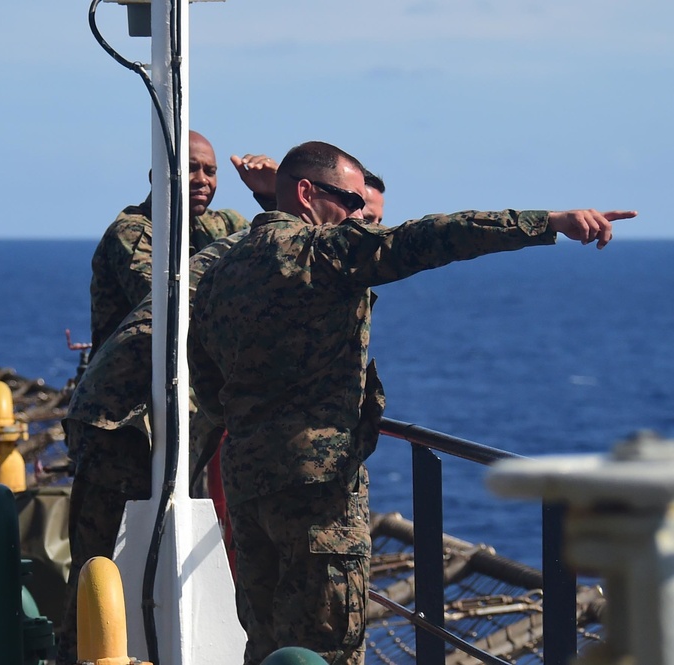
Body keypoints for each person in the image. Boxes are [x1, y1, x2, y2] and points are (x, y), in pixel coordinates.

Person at [187, 140, 636, 665]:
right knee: (328, 651)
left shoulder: (221, 268)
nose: (361, 219)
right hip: (318, 496)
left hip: (247, 484)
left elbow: (204, 376)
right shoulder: (325, 251)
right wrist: (549, 222)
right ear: (307, 194)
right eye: (353, 205)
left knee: (267, 647)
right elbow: (435, 237)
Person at [56, 229, 248, 665]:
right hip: (119, 420)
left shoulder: (230, 234)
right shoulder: (141, 232)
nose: (201, 180)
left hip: (161, 420)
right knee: (100, 565)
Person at [88, 130, 277, 355]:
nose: (202, 180)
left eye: (210, 171)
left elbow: (281, 256)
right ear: (156, 176)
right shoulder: (132, 232)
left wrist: (274, 196)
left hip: (195, 377)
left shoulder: (223, 224)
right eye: (190, 168)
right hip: (138, 379)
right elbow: (167, 310)